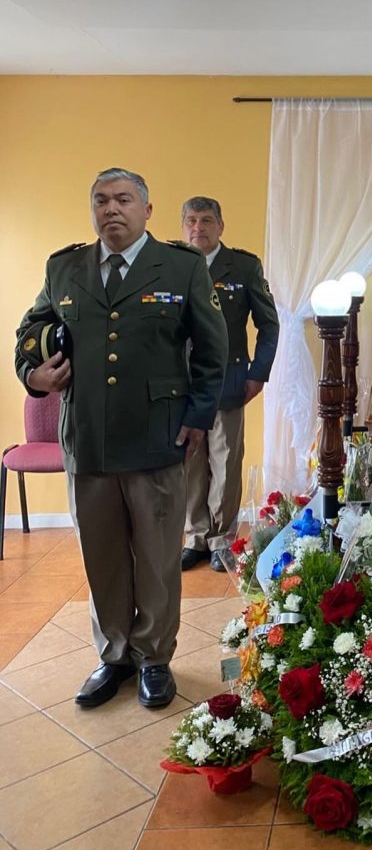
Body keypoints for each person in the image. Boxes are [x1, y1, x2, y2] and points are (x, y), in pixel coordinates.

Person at [15, 169, 228, 708]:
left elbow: (211, 349)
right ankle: (114, 655)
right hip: (86, 436)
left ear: (147, 210)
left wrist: (200, 416)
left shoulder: (180, 267)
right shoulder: (64, 268)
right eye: (101, 200)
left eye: (124, 199)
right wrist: (33, 375)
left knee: (157, 557)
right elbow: (30, 331)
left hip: (158, 433)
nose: (112, 208)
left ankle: (153, 657)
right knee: (101, 555)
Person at [179, 197, 279, 572]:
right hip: (184, 382)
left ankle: (223, 540)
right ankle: (195, 537)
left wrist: (258, 373)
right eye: (190, 221)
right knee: (189, 462)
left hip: (229, 378)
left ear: (221, 226)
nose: (198, 228)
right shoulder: (173, 265)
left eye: (206, 221)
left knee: (225, 461)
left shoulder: (244, 266)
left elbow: (269, 325)